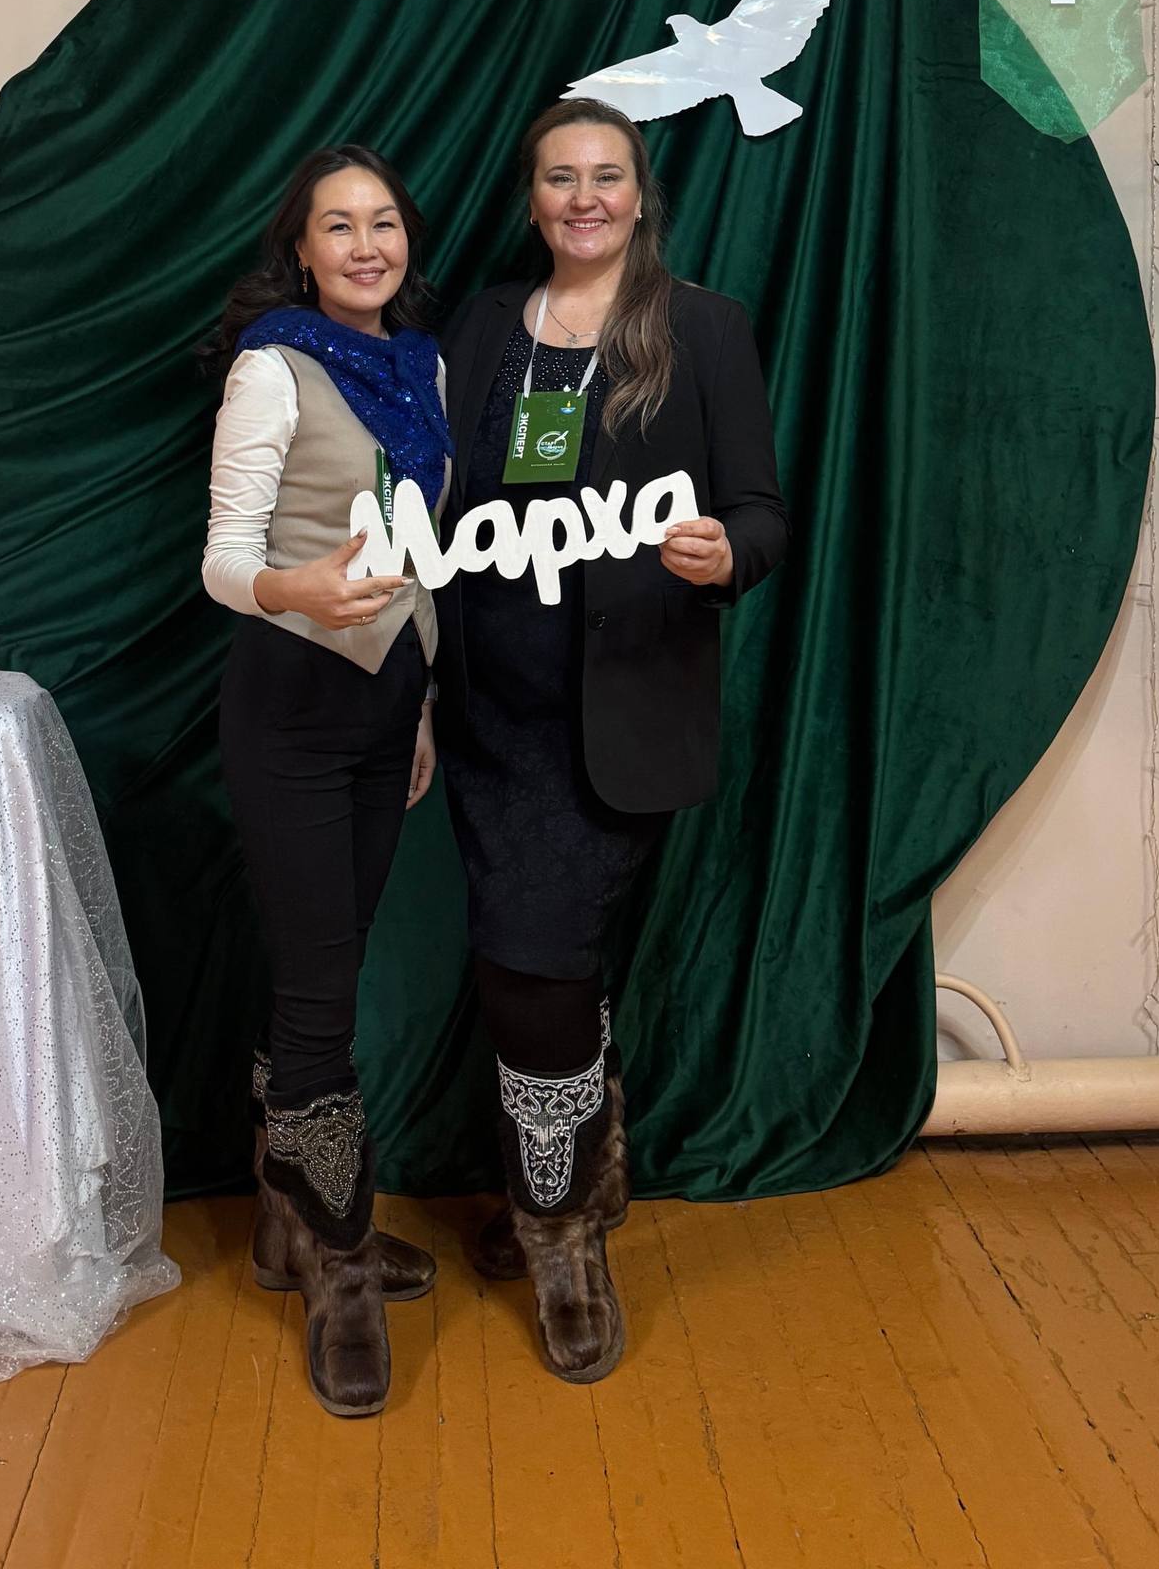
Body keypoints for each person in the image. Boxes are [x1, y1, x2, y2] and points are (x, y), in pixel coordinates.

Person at [437, 97, 790, 1384]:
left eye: (606, 175)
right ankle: (587, 1172)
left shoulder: (703, 328)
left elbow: (762, 510)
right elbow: (432, 497)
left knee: (534, 969)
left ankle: (561, 1232)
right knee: (542, 967)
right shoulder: (481, 325)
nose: (583, 197)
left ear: (641, 195)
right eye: (559, 176)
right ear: (531, 198)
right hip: (486, 713)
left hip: (618, 712)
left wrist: (726, 552)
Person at [201, 144, 450, 1419]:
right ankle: (340, 1257)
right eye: (337, 225)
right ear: (300, 249)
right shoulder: (273, 366)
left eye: (383, 222)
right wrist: (292, 588)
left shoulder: (426, 368)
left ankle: (281, 1224)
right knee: (318, 996)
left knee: (334, 962)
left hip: (387, 708)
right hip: (291, 709)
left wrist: (423, 702)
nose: (365, 245)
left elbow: (427, 555)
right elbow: (223, 559)